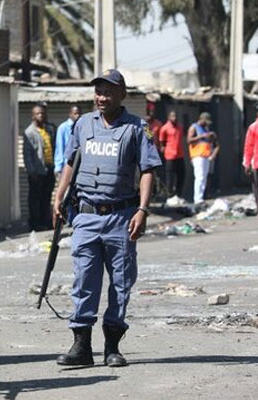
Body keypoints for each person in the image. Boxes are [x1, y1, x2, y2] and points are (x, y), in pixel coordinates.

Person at [53, 69, 161, 368]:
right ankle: (81, 347)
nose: (102, 97)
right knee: (84, 281)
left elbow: (148, 170)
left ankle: (112, 346)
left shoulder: (138, 128)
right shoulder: (83, 125)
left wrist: (142, 210)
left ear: (122, 94)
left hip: (121, 217)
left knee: (121, 283)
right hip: (86, 216)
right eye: (98, 91)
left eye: (109, 91)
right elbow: (70, 163)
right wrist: (58, 196)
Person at [23, 103, 56, 231]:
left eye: (43, 113)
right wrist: (32, 171)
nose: (41, 115)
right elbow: (27, 154)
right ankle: (35, 223)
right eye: (38, 113)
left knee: (46, 196)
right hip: (37, 171)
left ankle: (45, 220)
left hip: (49, 168)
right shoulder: (30, 132)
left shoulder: (48, 129)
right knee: (35, 198)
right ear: (33, 116)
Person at [187, 112, 219, 204]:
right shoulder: (194, 127)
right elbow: (189, 140)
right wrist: (203, 136)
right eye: (206, 121)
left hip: (205, 156)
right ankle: (197, 198)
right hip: (197, 156)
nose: (207, 123)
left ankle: (201, 197)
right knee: (199, 177)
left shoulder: (205, 128)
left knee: (204, 177)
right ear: (202, 119)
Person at [159, 111, 185, 201]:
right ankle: (169, 196)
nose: (175, 118)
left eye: (176, 116)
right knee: (170, 177)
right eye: (173, 116)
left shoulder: (180, 127)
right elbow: (162, 141)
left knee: (181, 175)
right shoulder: (165, 128)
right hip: (170, 155)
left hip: (180, 155)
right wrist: (163, 149)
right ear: (169, 117)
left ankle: (178, 194)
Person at [54, 106, 81, 176]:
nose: (77, 116)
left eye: (79, 114)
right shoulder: (63, 128)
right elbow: (59, 149)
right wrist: (58, 168)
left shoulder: (81, 126)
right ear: (70, 114)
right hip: (66, 166)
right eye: (75, 114)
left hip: (78, 166)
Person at [243, 103, 258, 207]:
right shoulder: (253, 127)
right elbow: (249, 146)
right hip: (257, 163)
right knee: (256, 187)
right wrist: (247, 163)